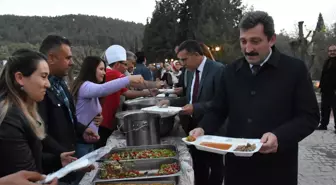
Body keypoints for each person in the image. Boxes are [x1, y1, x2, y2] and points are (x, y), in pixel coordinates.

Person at [190, 11, 320, 185]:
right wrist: (203, 128)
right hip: (237, 168)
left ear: (271, 39)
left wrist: (279, 136)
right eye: (243, 41)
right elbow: (218, 109)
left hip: (277, 168)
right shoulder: (230, 71)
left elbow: (309, 117)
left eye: (255, 41)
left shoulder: (294, 69)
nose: (248, 49)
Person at [159, 40, 225, 185]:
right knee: (198, 163)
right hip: (192, 125)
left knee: (215, 166)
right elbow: (188, 98)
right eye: (180, 60)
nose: (182, 64)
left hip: (212, 127)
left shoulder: (218, 69)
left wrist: (196, 107)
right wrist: (170, 102)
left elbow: (221, 102)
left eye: (184, 59)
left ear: (196, 55)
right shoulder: (189, 73)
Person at [0, 50, 73, 180]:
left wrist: (57, 160)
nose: (48, 84)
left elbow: (29, 158)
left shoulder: (23, 111)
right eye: (44, 76)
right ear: (20, 78)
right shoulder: (9, 119)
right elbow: (25, 175)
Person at [38, 35, 97, 184]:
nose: (71, 63)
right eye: (67, 58)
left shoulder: (61, 85)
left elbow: (69, 117)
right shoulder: (40, 90)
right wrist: (60, 155)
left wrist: (81, 129)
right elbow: (40, 132)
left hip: (68, 161)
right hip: (54, 167)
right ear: (51, 57)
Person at [70, 56, 144, 157]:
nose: (104, 73)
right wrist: (128, 79)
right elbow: (103, 89)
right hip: (82, 145)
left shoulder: (90, 87)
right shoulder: (85, 86)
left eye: (104, 69)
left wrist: (98, 118)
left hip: (89, 143)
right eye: (101, 69)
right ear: (91, 69)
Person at [96, 45, 159, 149]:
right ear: (116, 64)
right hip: (103, 121)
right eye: (124, 64)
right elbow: (136, 83)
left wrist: (147, 93)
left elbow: (127, 93)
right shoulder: (112, 73)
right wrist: (156, 84)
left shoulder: (115, 76)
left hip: (108, 119)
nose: (126, 68)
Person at [316, 44, 336, 132]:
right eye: (330, 51)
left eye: (334, 51)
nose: (332, 52)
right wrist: (321, 87)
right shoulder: (327, 61)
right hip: (325, 89)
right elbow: (323, 75)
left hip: (334, 90)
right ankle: (323, 124)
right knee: (324, 108)